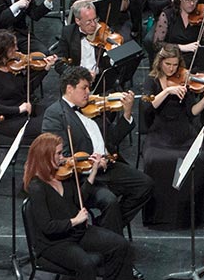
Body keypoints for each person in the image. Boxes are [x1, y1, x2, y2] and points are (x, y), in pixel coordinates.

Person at [41, 66, 153, 242]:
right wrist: (91, 163)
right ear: (70, 89)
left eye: (89, 88)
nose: (88, 92)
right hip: (83, 176)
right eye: (84, 88)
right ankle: (114, 245)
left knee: (145, 184)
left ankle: (105, 228)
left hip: (106, 167)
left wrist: (127, 112)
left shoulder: (93, 109)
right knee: (109, 201)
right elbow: (61, 157)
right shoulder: (54, 114)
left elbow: (113, 139)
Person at [23, 132, 134, 280]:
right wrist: (75, 221)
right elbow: (47, 227)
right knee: (86, 264)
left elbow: (78, 198)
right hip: (54, 243)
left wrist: (93, 173)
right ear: (45, 156)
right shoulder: (37, 187)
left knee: (120, 245)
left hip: (76, 232)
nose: (63, 157)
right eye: (58, 154)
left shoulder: (63, 176)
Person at [139, 44, 204, 229]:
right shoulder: (152, 81)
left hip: (183, 131)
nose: (172, 69)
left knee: (200, 159)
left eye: (175, 64)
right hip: (159, 132)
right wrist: (167, 91)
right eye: (168, 64)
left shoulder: (184, 79)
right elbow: (148, 106)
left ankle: (189, 216)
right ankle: (158, 216)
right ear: (160, 62)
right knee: (154, 160)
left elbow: (192, 112)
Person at [0, 29, 56, 142]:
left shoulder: (13, 66)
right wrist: (18, 109)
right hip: (8, 121)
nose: (17, 49)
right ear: (3, 49)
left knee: (57, 113)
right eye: (13, 46)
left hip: (25, 110)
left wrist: (45, 69)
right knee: (52, 124)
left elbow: (26, 89)